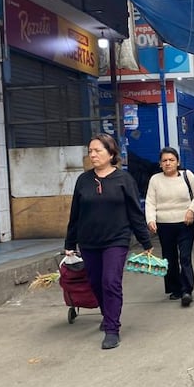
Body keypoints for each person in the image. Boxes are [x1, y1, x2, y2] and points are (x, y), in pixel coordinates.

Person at [65, 133, 153, 350]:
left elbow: (135, 212)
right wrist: (70, 243)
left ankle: (112, 328)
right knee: (95, 283)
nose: (92, 155)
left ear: (111, 153)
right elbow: (75, 213)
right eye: (90, 151)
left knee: (110, 281)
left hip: (117, 239)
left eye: (97, 150)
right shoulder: (83, 180)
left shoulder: (124, 179)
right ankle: (107, 314)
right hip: (89, 241)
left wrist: (146, 242)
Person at [145, 147, 194, 308]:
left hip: (185, 223)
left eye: (171, 160)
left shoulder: (187, 175)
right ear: (160, 164)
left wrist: (191, 210)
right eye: (164, 160)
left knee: (184, 257)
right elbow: (150, 201)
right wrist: (150, 219)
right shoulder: (155, 179)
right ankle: (175, 289)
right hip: (164, 225)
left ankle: (186, 290)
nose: (168, 163)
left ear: (178, 162)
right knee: (169, 258)